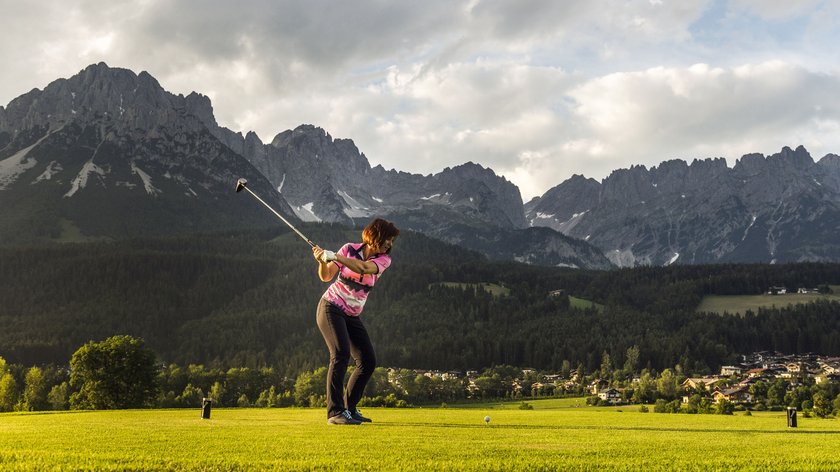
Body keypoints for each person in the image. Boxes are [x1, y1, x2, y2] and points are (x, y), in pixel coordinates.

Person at [312, 218, 399, 425]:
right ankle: (335, 413)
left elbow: (362, 268)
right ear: (375, 236)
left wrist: (336, 257)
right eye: (388, 239)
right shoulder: (348, 249)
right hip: (330, 307)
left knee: (367, 361)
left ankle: (349, 409)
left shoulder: (384, 260)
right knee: (340, 354)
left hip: (351, 314)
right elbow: (326, 277)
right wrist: (323, 261)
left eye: (391, 241)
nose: (390, 244)